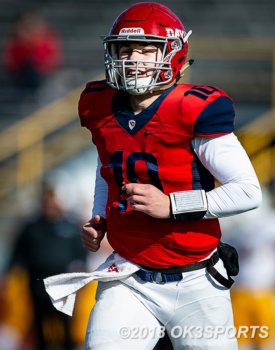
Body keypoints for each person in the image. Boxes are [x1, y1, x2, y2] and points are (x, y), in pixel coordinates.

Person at [77, 3, 262, 349]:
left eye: (147, 50)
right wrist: (99, 214)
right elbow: (108, 168)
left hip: (195, 280)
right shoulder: (98, 104)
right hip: (129, 275)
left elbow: (248, 192)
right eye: (126, 49)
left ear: (172, 54)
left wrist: (173, 204)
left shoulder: (194, 108)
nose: (133, 58)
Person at [0, 184, 88, 350]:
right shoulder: (31, 228)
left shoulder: (70, 227)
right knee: (40, 328)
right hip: (37, 285)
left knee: (66, 327)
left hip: (63, 288)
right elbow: (17, 255)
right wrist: (8, 276)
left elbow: (81, 255)